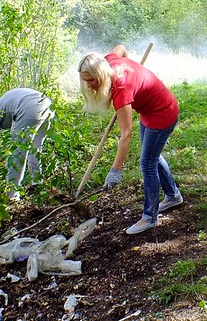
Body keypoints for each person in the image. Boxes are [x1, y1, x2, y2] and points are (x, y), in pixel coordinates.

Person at [78, 45, 182, 235]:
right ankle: (173, 196)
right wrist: (133, 66)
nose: (89, 85)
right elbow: (121, 48)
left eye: (92, 80)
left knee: (147, 163)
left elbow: (126, 134)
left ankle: (150, 217)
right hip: (149, 111)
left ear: (100, 74)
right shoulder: (108, 60)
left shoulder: (121, 89)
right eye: (85, 81)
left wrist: (115, 170)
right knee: (153, 156)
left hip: (162, 113)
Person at [0, 88, 54, 198]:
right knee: (35, 149)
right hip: (47, 105)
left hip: (28, 107)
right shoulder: (4, 101)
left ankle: (12, 196)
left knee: (17, 153)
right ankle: (37, 184)